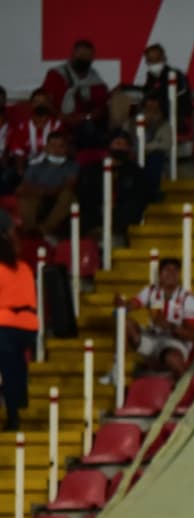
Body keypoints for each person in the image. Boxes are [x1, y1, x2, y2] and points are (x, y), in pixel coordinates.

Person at [120, 256, 194, 380]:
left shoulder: (188, 299)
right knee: (125, 323)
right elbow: (132, 304)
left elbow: (192, 335)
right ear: (160, 274)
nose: (171, 274)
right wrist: (122, 306)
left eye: (175, 270)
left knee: (173, 358)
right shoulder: (151, 291)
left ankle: (183, 388)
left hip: (174, 342)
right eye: (167, 270)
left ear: (179, 274)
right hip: (152, 338)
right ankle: (118, 368)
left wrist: (170, 327)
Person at [0, 210, 39, 431]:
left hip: (5, 325)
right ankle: (19, 403)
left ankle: (13, 414)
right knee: (15, 364)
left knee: (8, 368)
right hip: (29, 326)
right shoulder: (24, 268)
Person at [41, 39, 110, 149]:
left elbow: (101, 107)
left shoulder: (96, 81)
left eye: (87, 56)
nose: (83, 59)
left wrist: (86, 117)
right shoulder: (55, 74)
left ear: (92, 58)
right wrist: (64, 117)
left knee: (92, 130)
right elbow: (45, 100)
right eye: (81, 55)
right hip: (58, 120)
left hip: (84, 124)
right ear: (73, 54)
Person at [15, 131, 77, 240]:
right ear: (46, 147)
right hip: (39, 196)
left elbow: (70, 184)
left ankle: (44, 229)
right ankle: (29, 230)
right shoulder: (35, 165)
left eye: (61, 146)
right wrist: (42, 191)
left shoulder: (72, 166)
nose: (57, 150)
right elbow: (25, 185)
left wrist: (49, 191)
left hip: (58, 197)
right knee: (24, 193)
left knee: (68, 195)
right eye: (53, 146)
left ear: (66, 148)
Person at [4, 89, 63, 168]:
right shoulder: (22, 127)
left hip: (52, 165)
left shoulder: (57, 125)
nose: (40, 105)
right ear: (31, 104)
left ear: (49, 104)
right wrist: (21, 171)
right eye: (36, 102)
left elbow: (62, 148)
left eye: (44, 102)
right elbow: (17, 150)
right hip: (27, 165)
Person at [140, 94, 173, 201]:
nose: (151, 112)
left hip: (153, 157)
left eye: (155, 109)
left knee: (156, 157)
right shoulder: (131, 123)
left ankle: (152, 192)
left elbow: (167, 144)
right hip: (133, 156)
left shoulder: (165, 125)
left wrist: (149, 147)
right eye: (148, 108)